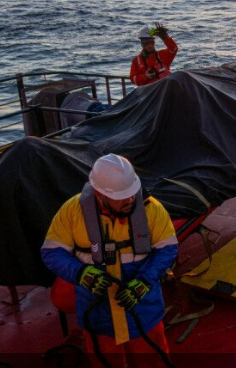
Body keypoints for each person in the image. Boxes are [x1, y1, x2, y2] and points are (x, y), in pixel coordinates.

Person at [41, 154, 178, 363]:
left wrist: (143, 283)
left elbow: (167, 249)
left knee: (153, 359)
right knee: (104, 359)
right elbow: (52, 252)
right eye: (121, 196)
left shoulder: (152, 210)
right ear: (98, 194)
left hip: (143, 310)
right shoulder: (72, 211)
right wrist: (81, 273)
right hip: (97, 311)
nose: (130, 199)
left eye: (131, 193)